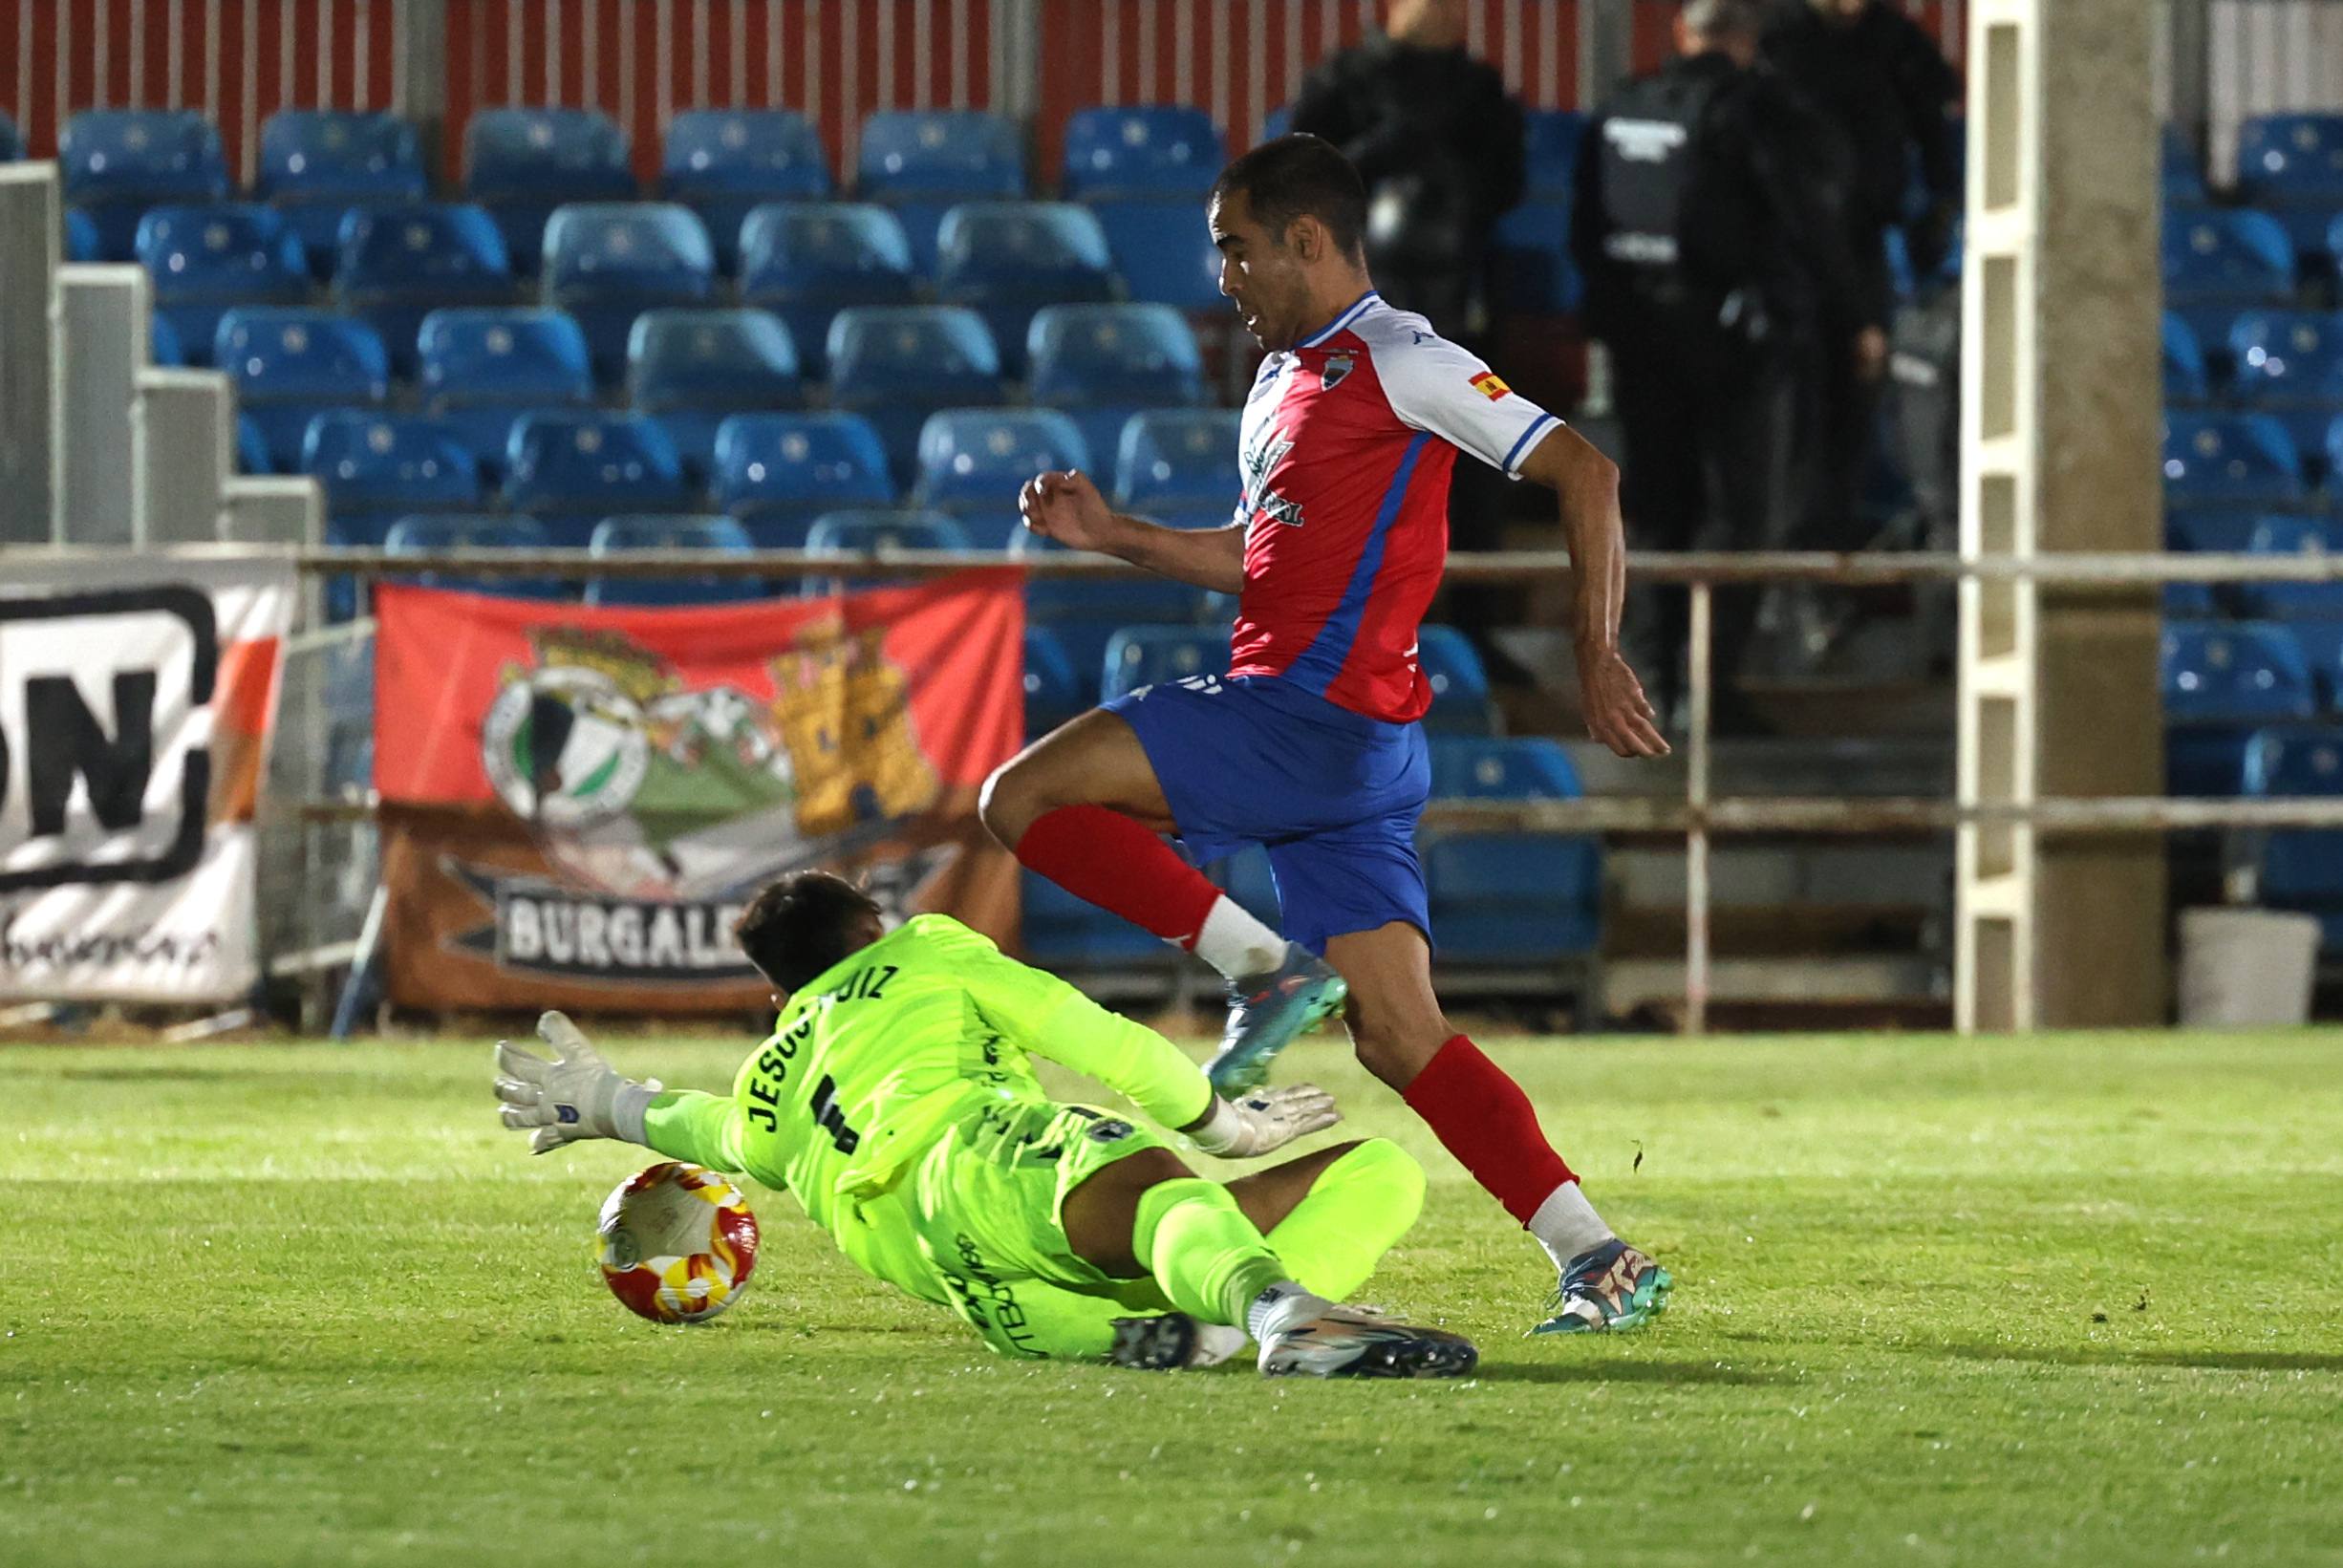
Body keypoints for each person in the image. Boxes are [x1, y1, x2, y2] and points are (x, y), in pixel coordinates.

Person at [980, 134, 1674, 1337]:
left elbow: (1587, 472)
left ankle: (1262, 969)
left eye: (1236, 249)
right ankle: (1598, 1258)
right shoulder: (1280, 380)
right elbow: (1261, 559)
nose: (1224, 277)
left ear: (1307, 239)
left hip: (1304, 716)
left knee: (1020, 798)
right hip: (1351, 750)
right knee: (1401, 1036)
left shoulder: (1403, 357)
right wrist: (1117, 535)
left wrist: (1593, 649)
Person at [490, 870, 1476, 1379]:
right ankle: (1279, 1315)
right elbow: (1089, 1033)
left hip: (967, 1278)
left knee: (1370, 1168)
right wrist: (1220, 1125)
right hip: (980, 1156)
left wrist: (611, 1103)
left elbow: (718, 1136)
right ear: (870, 930)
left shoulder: (770, 1076)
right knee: (1159, 1185)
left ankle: (1220, 1326)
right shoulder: (920, 950)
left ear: (781, 989)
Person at [1572, 0, 1866, 728]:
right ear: (1746, 40)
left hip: (1640, 339)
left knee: (1652, 510)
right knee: (1738, 511)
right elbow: (1807, 216)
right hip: (1735, 343)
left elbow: (1584, 226)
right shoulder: (1758, 110)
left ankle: (1649, 678)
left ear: (1683, 32)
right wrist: (1851, 312)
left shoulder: (1624, 106)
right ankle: (1710, 687)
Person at [1290, 0, 1529, 664]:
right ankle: (1348, 633)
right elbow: (1298, 184)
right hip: (1358, 308)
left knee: (1473, 467)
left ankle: (1473, 639)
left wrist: (1449, 169)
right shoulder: (1342, 82)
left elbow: (1507, 185)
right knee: (1357, 466)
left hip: (1459, 302)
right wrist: (1376, 152)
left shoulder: (1480, 92)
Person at [1760, 0, 1961, 556]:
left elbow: (1934, 129)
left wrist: (1937, 208)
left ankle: (1828, 556)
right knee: (1791, 418)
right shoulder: (1780, 39)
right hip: (1788, 252)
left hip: (1862, 243)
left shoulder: (1895, 42)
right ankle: (1789, 563)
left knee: (1852, 408)